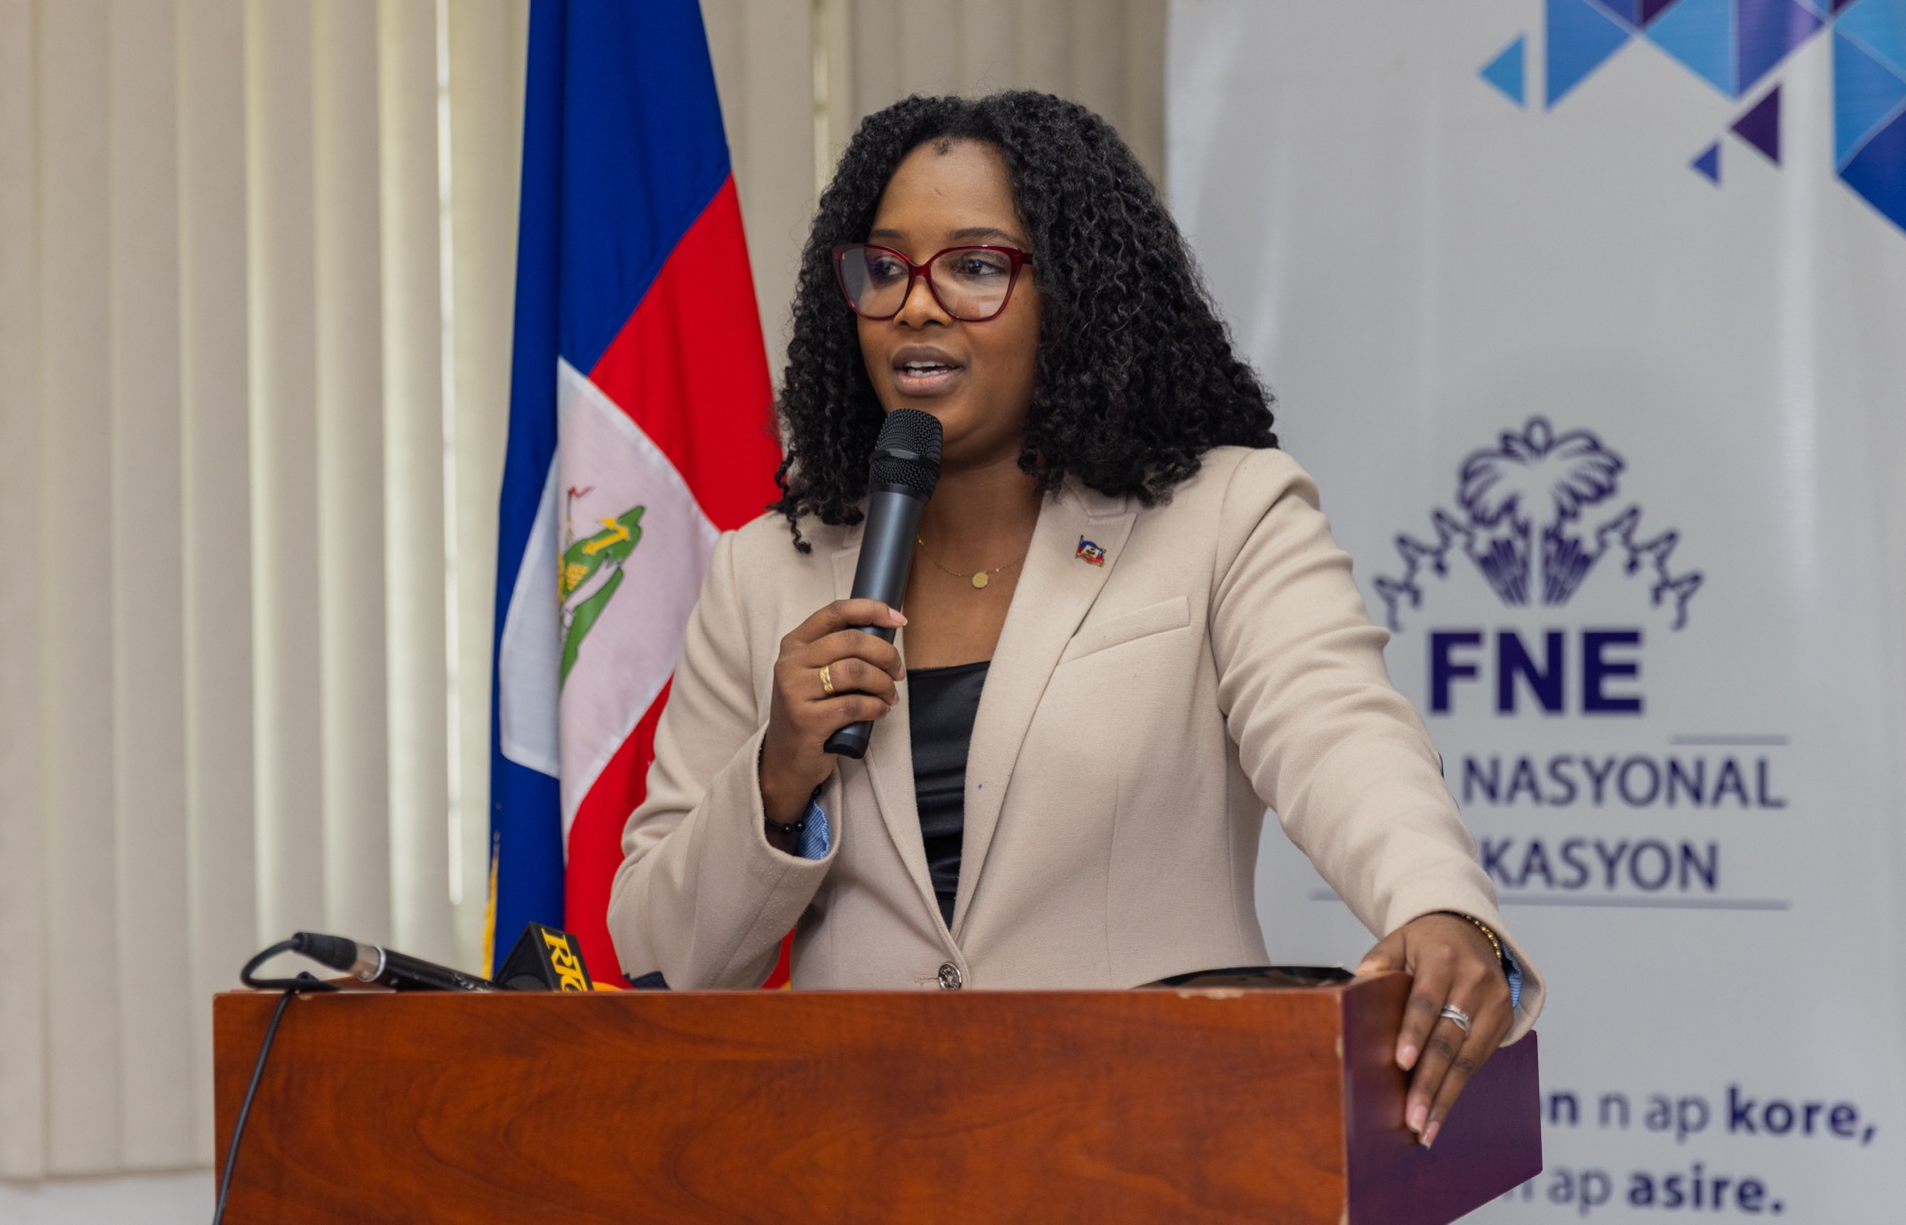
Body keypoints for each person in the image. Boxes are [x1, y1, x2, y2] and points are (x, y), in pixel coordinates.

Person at [610, 91, 1542, 1146]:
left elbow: (1339, 732)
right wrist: (776, 778)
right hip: (855, 1158)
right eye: (885, 267)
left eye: (974, 265)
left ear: (1071, 295)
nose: (916, 305)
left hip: (1148, 1151)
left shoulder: (1222, 516)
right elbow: (660, 960)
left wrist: (1436, 905)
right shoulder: (763, 571)